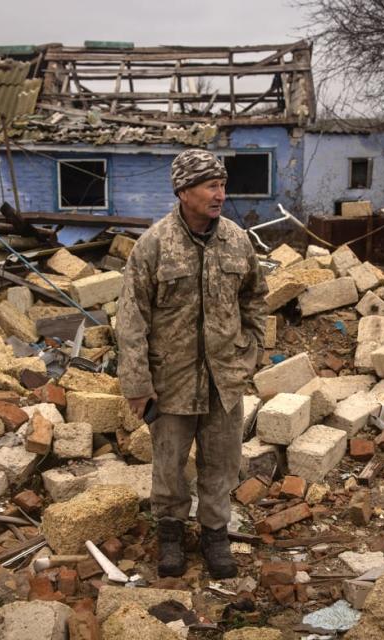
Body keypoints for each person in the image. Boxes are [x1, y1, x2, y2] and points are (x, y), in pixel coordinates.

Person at [116, 148, 268, 579]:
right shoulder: (153, 246)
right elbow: (131, 319)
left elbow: (255, 299)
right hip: (170, 381)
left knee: (221, 464)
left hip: (225, 380)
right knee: (169, 467)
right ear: (184, 192)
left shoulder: (238, 240)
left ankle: (215, 535)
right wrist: (137, 385)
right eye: (211, 186)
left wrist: (250, 354)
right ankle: (170, 534)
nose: (220, 194)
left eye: (222, 185)